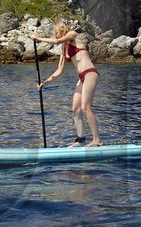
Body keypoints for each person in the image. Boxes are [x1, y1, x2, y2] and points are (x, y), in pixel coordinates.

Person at [32, 18, 102, 146]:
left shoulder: (73, 35)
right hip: (81, 77)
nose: (56, 35)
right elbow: (59, 71)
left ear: (60, 30)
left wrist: (39, 39)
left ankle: (96, 140)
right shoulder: (64, 49)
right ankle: (80, 140)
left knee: (85, 107)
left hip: (90, 73)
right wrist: (44, 84)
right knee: (75, 108)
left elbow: (57, 41)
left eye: (56, 32)